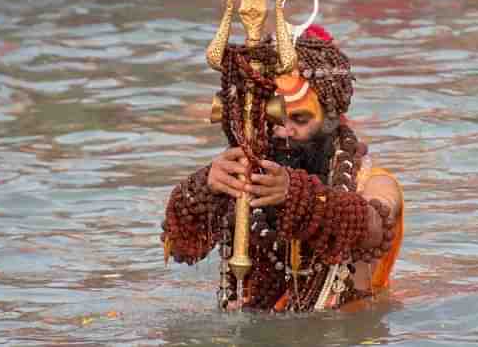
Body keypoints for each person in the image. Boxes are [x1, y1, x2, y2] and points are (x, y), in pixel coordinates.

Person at [160, 21, 404, 312]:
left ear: (332, 118)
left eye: (299, 119)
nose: (284, 131)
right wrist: (203, 190)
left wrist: (299, 197)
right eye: (275, 118)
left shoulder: (373, 181)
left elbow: (373, 227)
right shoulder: (245, 174)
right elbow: (181, 247)